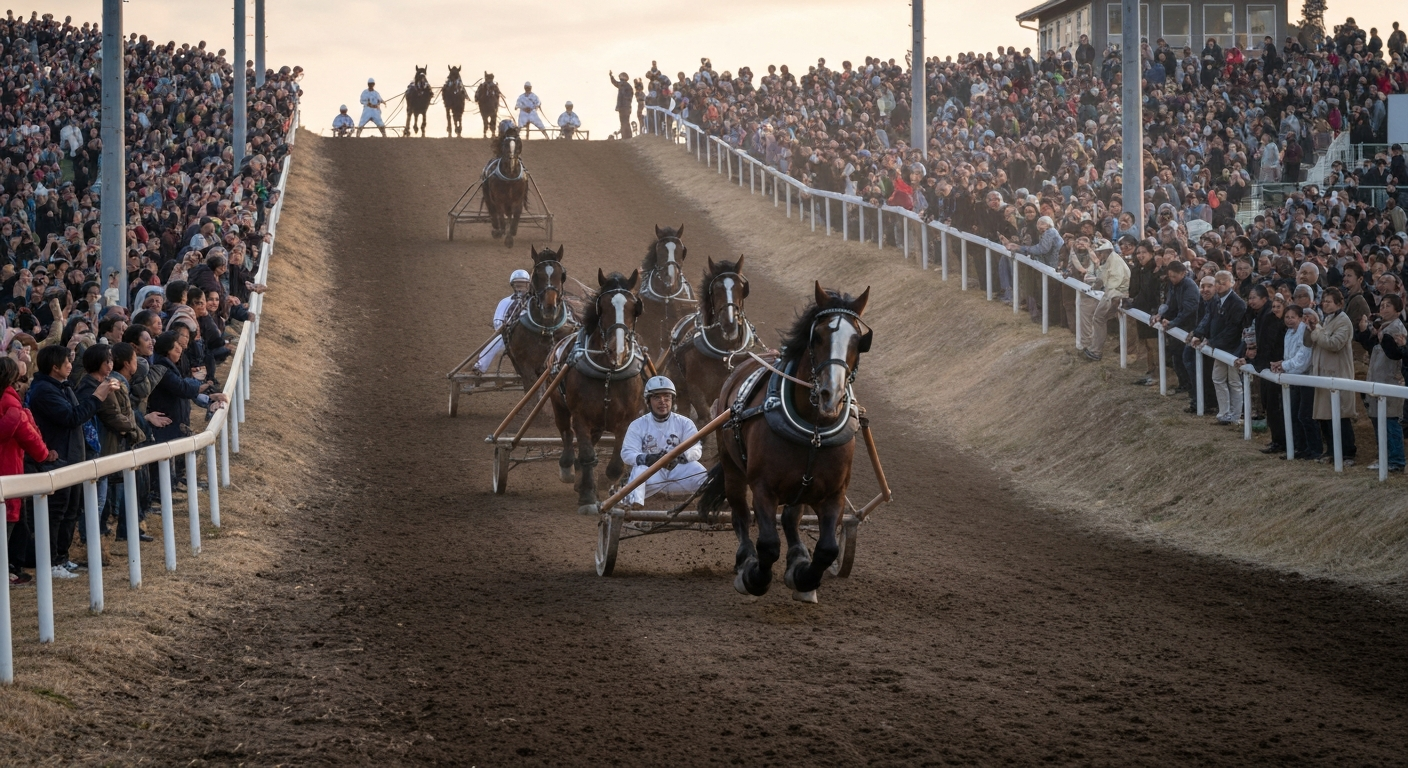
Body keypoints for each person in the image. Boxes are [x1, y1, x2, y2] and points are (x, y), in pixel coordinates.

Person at [28, 345, 116, 579]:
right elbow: (71, 417)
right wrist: (98, 397)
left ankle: (62, 557)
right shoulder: (44, 391)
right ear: (54, 366)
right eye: (67, 361)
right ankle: (51, 562)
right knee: (56, 512)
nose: (71, 365)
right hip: (57, 460)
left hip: (74, 458)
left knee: (71, 511)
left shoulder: (62, 387)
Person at [0, 357, 53, 587]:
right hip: (8, 467)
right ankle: (8, 571)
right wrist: (44, 455)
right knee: (10, 522)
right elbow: (28, 434)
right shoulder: (11, 403)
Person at [619, 376, 705, 510]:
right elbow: (627, 453)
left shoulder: (685, 423)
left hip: (678, 472)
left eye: (667, 397)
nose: (662, 402)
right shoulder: (637, 425)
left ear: (672, 400)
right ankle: (634, 506)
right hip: (652, 475)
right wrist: (647, 458)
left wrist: (682, 457)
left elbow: (696, 448)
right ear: (648, 401)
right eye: (657, 398)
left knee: (699, 471)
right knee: (639, 469)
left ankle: (711, 502)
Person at [1189, 270, 1247, 425]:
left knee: (1234, 381)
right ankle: (1224, 413)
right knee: (1218, 378)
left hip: (1233, 348)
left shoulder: (1238, 304)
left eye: (1223, 282)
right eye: (1218, 282)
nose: (1220, 285)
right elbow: (1209, 320)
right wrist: (1201, 335)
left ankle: (1235, 416)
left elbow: (1233, 329)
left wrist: (1213, 341)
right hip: (1218, 347)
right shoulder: (1215, 301)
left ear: (1231, 283)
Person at [1307, 288, 1357, 464]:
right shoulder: (1327, 319)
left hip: (1338, 374)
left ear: (1339, 303)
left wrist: (1317, 331)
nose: (1325, 304)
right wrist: (1315, 328)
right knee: (1325, 417)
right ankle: (1331, 451)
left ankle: (1348, 453)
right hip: (1323, 374)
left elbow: (1334, 344)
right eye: (1324, 301)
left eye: (1329, 301)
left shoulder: (1344, 322)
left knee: (1341, 416)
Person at [1358, 295, 1405, 472]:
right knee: (1378, 420)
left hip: (1391, 381)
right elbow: (1370, 346)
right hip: (1377, 378)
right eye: (1382, 305)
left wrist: (1381, 336)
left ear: (1398, 310)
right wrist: (1366, 331)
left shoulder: (1397, 328)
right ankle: (1384, 456)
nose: (1384, 309)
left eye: (1388, 306)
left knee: (1391, 422)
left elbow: (1394, 353)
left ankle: (1396, 460)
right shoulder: (1382, 327)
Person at [1081, 238, 1130, 362]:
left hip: (1115, 295)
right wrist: (1092, 288)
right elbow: (1101, 279)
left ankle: (1096, 351)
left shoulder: (1115, 262)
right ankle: (1094, 349)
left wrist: (1113, 304)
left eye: (1100, 253)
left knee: (1099, 319)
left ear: (1106, 251)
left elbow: (1114, 284)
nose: (1099, 255)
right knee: (1098, 319)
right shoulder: (1110, 261)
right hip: (1111, 293)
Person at [475, 270, 532, 373]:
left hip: (527, 336)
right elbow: (497, 319)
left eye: (522, 284)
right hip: (508, 335)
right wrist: (504, 327)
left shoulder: (532, 302)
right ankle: (480, 367)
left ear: (528, 285)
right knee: (494, 343)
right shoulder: (505, 301)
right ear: (513, 286)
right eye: (517, 284)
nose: (520, 287)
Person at [609, 71, 634, 139]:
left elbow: (615, 83)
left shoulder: (622, 85)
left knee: (623, 122)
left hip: (623, 107)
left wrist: (611, 77)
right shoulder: (629, 86)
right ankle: (628, 136)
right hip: (627, 107)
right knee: (626, 121)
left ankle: (625, 136)